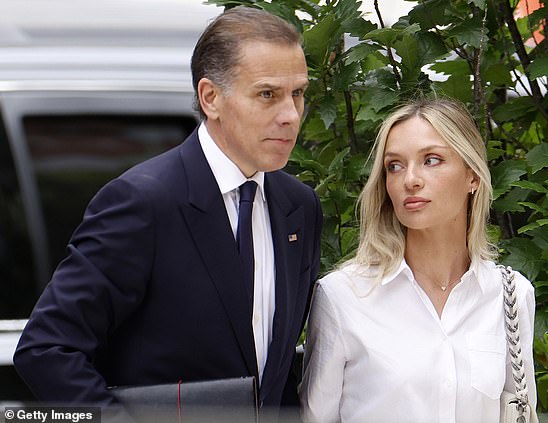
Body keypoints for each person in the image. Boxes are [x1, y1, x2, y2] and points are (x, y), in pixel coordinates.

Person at [14, 5, 322, 415]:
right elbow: (47, 349)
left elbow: (274, 377)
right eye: (268, 94)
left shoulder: (298, 206)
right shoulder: (142, 202)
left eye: (297, 94)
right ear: (210, 98)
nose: (290, 115)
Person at [299, 98, 536, 422]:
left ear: (473, 176)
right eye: (395, 165)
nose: (410, 179)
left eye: (432, 160)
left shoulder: (510, 295)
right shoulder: (343, 297)